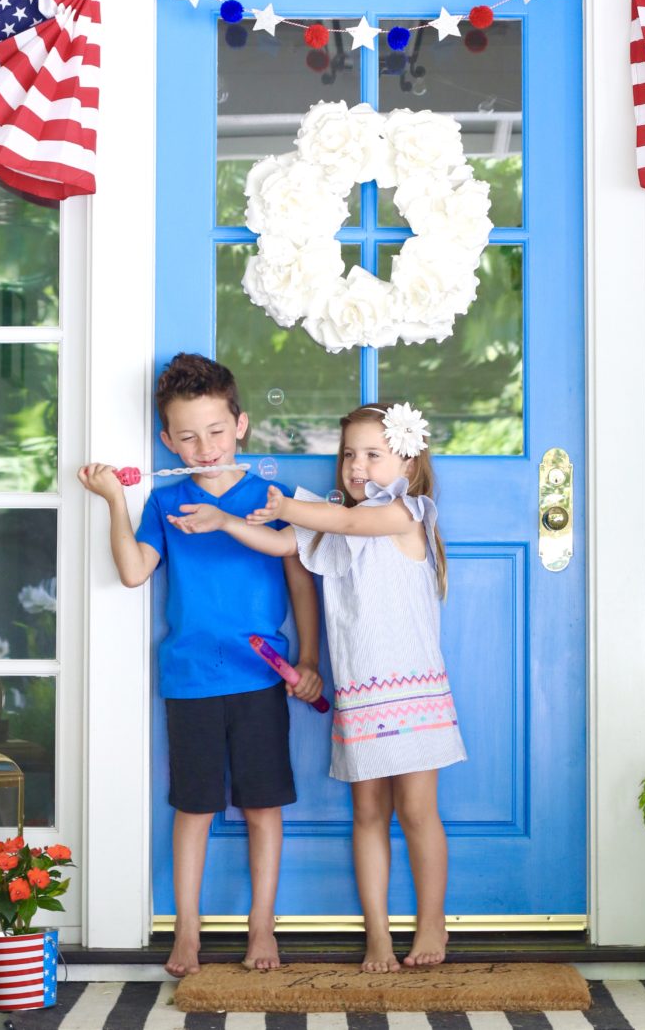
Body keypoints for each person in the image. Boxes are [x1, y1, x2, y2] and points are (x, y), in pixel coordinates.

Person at [167, 401, 467, 973]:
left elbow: (351, 522)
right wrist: (228, 522)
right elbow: (286, 547)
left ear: (408, 457)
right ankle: (376, 933)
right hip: (361, 694)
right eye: (350, 455)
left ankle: (432, 921)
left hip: (412, 695)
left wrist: (288, 505)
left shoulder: (406, 511)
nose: (357, 466)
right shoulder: (333, 518)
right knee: (369, 814)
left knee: (419, 811)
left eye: (373, 455)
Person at [77, 353, 322, 977]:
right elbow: (134, 572)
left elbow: (300, 578)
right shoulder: (163, 499)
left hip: (262, 677)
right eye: (187, 437)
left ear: (240, 425)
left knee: (264, 807)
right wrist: (113, 501)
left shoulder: (273, 495)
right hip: (190, 680)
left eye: (216, 431)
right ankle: (188, 929)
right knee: (195, 807)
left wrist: (310, 658)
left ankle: (260, 929)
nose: (204, 447)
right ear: (167, 440)